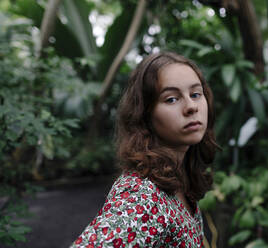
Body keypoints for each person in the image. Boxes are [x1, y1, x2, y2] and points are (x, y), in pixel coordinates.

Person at [70, 51, 218, 248]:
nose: (191, 106)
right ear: (145, 115)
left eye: (195, 94)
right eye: (171, 99)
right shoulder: (142, 195)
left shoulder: (179, 180)